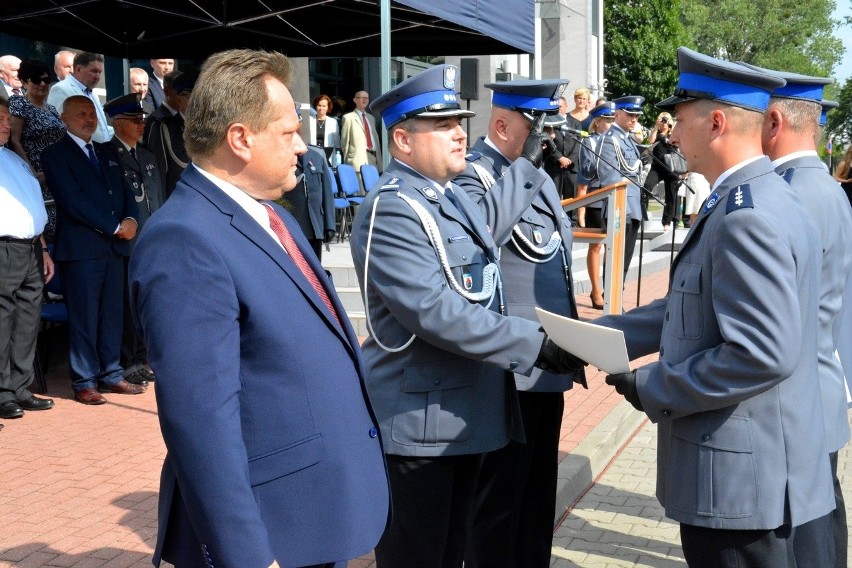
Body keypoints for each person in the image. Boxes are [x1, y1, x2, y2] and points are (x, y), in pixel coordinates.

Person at [129, 48, 389, 568]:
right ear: (241, 139)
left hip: (313, 514)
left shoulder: (272, 216)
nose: (302, 145)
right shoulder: (184, 239)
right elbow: (200, 421)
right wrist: (246, 555)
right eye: (289, 132)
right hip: (273, 533)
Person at [596, 46, 834, 567]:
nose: (673, 135)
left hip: (742, 487)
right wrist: (601, 335)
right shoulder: (765, 196)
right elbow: (691, 304)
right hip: (760, 475)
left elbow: (761, 353)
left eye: (680, 120)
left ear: (717, 122)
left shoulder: (745, 215)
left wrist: (654, 385)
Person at [349, 64, 583, 568]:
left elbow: (493, 227)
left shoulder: (444, 198)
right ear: (402, 140)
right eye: (444, 125)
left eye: (461, 121)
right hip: (420, 427)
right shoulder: (394, 206)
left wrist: (527, 159)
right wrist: (535, 344)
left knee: (456, 550)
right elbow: (436, 311)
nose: (460, 133)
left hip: (460, 418)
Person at [454, 78, 587, 568]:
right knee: (496, 508)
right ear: (503, 123)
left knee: (536, 502)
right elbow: (478, 237)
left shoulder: (538, 175)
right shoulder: (473, 173)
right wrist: (526, 166)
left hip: (547, 365)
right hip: (507, 368)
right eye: (537, 124)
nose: (546, 134)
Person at [744, 63, 852, 568]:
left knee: (810, 539)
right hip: (823, 382)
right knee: (824, 523)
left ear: (773, 121)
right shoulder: (828, 187)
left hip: (796, 395)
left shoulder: (786, 194)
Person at [40, 95, 143, 405]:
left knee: (112, 313)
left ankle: (111, 373)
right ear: (64, 118)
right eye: (81, 114)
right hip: (83, 249)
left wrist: (130, 220)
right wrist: (113, 226)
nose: (88, 119)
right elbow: (72, 200)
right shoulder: (55, 155)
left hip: (115, 247)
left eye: (91, 113)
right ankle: (84, 380)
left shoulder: (105, 150)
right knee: (85, 316)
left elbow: (125, 191)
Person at [0, 97, 56, 421]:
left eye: (8, 118)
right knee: (3, 322)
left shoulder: (16, 160)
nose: (7, 124)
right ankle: (3, 392)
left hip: (32, 248)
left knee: (27, 321)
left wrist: (44, 248)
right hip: (4, 248)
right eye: (1, 118)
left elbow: (33, 207)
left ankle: (21, 387)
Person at [104, 93, 166, 387]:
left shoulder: (148, 155)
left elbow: (159, 198)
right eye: (134, 120)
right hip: (127, 242)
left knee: (148, 303)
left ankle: (142, 357)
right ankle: (128, 361)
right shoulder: (108, 155)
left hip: (152, 239)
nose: (142, 124)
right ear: (118, 124)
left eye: (142, 119)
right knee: (128, 305)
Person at [585, 95, 645, 278]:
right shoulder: (610, 139)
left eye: (636, 115)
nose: (634, 119)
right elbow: (610, 178)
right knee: (616, 262)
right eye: (629, 115)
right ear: (617, 115)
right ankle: (612, 301)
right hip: (621, 209)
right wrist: (622, 211)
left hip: (633, 207)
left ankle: (617, 299)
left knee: (624, 262)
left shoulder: (628, 139)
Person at [7, 59, 66, 243]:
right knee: (48, 227)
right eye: (36, 80)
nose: (42, 84)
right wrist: (32, 174)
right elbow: (14, 141)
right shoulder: (19, 104)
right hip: (38, 177)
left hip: (58, 175)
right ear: (24, 82)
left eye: (46, 80)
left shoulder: (52, 109)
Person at [577, 101, 617, 309]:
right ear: (598, 122)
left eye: (613, 120)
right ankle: (596, 290)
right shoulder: (590, 142)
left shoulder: (619, 140)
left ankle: (613, 287)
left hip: (617, 198)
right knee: (598, 245)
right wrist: (580, 210)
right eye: (608, 120)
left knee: (615, 245)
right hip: (597, 197)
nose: (612, 124)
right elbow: (585, 175)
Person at [282, 139, 336, 260]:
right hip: (293, 225)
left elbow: (327, 193)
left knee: (315, 269)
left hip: (314, 226)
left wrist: (329, 225)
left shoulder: (316, 156)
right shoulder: (281, 155)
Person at [146, 70, 196, 196]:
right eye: (188, 96)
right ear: (179, 100)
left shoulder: (209, 128)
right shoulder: (164, 128)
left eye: (198, 97)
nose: (195, 103)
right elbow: (159, 175)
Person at [46, 51, 112, 143]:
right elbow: (56, 128)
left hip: (99, 151)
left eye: (99, 72)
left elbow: (101, 128)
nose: (97, 77)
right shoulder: (61, 89)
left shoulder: (92, 93)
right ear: (78, 69)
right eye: (94, 71)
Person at [644, 111, 684, 229]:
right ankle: (644, 214)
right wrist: (656, 127)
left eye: (666, 119)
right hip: (657, 166)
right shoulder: (656, 132)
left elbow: (677, 143)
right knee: (646, 186)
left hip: (671, 166)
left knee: (671, 195)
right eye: (662, 119)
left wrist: (671, 127)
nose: (664, 122)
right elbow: (650, 141)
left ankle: (666, 222)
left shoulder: (673, 131)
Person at [546, 88, 582, 203]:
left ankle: (572, 221)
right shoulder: (548, 123)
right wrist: (559, 158)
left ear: (566, 106)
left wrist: (569, 160)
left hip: (571, 169)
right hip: (554, 167)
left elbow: (578, 145)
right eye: (556, 107)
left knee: (571, 200)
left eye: (560, 107)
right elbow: (547, 142)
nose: (558, 110)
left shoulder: (576, 123)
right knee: (553, 199)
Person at [340, 90, 382, 183]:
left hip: (372, 159)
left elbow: (375, 140)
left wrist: (379, 162)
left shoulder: (371, 118)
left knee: (372, 191)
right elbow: (344, 142)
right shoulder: (348, 118)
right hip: (357, 161)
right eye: (361, 97)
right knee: (360, 193)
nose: (364, 100)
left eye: (366, 98)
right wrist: (347, 161)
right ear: (355, 100)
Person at [310, 93, 340, 164]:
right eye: (319, 105)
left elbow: (337, 142)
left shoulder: (333, 122)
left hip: (328, 157)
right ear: (315, 106)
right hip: (313, 155)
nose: (321, 108)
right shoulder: (309, 121)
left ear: (328, 107)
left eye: (324, 106)